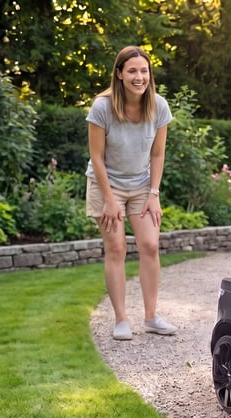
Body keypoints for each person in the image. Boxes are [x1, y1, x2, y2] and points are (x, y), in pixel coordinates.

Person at [85, 46, 177, 340]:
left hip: (141, 186)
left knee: (150, 245)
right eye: (132, 71)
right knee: (116, 248)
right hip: (105, 184)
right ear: (120, 74)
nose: (139, 77)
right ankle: (121, 319)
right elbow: (96, 157)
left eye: (144, 71)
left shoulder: (158, 106)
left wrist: (154, 193)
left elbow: (158, 153)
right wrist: (110, 200)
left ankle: (151, 316)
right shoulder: (102, 107)